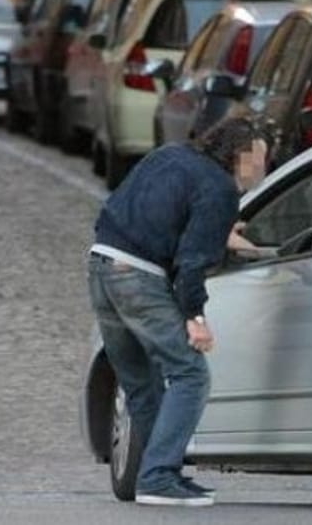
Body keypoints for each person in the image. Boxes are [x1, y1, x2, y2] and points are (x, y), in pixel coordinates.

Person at [87, 116, 267, 507]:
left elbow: (159, 213)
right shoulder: (220, 189)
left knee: (142, 383)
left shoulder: (172, 155)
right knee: (191, 374)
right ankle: (159, 476)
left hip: (101, 264)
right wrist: (195, 317)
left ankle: (149, 475)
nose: (263, 168)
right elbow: (192, 262)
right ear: (239, 156)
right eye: (260, 159)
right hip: (138, 278)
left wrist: (219, 232)